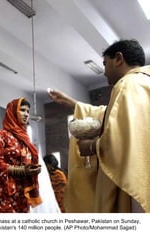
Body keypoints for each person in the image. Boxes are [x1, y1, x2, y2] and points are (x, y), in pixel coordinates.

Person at [48, 39, 150, 213]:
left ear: (118, 58)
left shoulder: (127, 85)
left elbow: (121, 137)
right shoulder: (144, 83)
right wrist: (74, 104)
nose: (104, 72)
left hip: (137, 182)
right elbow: (113, 116)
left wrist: (91, 146)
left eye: (105, 63)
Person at [0, 97, 42, 213]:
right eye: (22, 110)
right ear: (12, 112)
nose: (26, 114)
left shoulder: (25, 139)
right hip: (4, 192)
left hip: (22, 194)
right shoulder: (1, 135)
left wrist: (32, 169)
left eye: (28, 111)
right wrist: (21, 170)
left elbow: (27, 162)